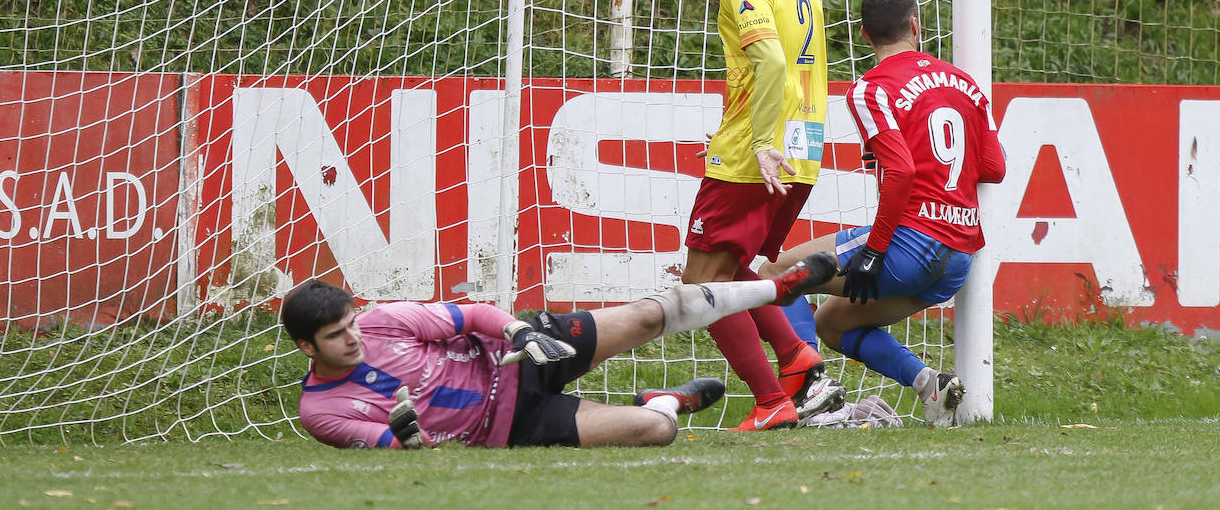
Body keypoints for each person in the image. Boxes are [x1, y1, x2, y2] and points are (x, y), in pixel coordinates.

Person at [279, 251, 836, 450]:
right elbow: (400, 450)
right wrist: (404, 434)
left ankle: (778, 287)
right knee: (655, 433)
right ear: (307, 347)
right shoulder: (320, 412)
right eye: (335, 337)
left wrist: (520, 333)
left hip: (525, 355)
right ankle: (664, 401)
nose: (352, 338)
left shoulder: (381, 322)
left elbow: (472, 315)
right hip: (513, 425)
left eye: (350, 325)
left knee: (646, 314)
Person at [763, 0, 1007, 427]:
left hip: (907, 247)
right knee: (833, 324)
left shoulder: (869, 88)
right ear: (916, 25)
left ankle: (809, 395)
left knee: (777, 275)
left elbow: (901, 173)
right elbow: (995, 167)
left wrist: (874, 250)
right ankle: (929, 386)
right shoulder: (966, 84)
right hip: (957, 256)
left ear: (863, 35)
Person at [680, 0, 840, 431]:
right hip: (804, 146)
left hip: (758, 155)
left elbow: (770, 63)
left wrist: (762, 141)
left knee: (700, 285)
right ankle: (797, 357)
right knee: (736, 268)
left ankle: (773, 401)